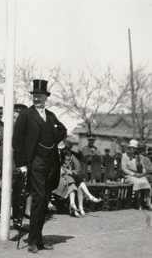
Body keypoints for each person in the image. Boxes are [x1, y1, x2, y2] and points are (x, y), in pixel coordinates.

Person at [13, 79, 67, 253]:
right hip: (34, 162)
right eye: (35, 96)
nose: (37, 99)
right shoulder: (25, 115)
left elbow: (63, 129)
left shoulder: (50, 116)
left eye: (40, 96)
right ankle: (32, 242)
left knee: (44, 200)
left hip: (50, 163)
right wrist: (21, 164)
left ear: (46, 97)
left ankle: (39, 238)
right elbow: (17, 141)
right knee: (39, 198)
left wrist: (52, 140)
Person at [53, 139, 102, 217]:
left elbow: (78, 169)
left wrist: (71, 172)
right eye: (63, 149)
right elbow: (59, 167)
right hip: (63, 176)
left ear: (68, 149)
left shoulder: (73, 157)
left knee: (79, 187)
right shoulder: (61, 156)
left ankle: (80, 208)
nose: (64, 151)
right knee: (76, 182)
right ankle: (88, 198)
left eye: (65, 149)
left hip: (71, 176)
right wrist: (67, 171)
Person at [121, 139, 152, 210]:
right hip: (129, 175)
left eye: (134, 148)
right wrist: (134, 174)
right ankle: (137, 203)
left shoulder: (138, 156)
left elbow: (143, 167)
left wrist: (143, 172)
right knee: (137, 182)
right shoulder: (125, 156)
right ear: (129, 148)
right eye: (131, 147)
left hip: (139, 175)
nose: (132, 149)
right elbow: (124, 169)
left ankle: (149, 203)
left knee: (145, 183)